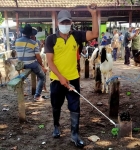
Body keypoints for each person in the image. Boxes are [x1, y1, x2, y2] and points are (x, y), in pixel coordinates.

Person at [45, 4, 98, 148]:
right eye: (62, 22)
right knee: (56, 106)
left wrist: (94, 14)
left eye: (67, 22)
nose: (65, 25)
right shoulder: (51, 39)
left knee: (75, 107)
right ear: (58, 23)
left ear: (71, 22)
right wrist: (61, 77)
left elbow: (94, 34)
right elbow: (50, 62)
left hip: (73, 79)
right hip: (57, 80)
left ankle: (75, 134)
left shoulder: (76, 35)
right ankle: (56, 126)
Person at [15, 24, 46, 101]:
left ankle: (34, 92)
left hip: (21, 64)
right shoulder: (33, 43)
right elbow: (38, 57)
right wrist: (41, 65)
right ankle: (37, 95)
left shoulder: (17, 41)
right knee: (42, 77)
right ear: (31, 34)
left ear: (23, 33)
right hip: (31, 64)